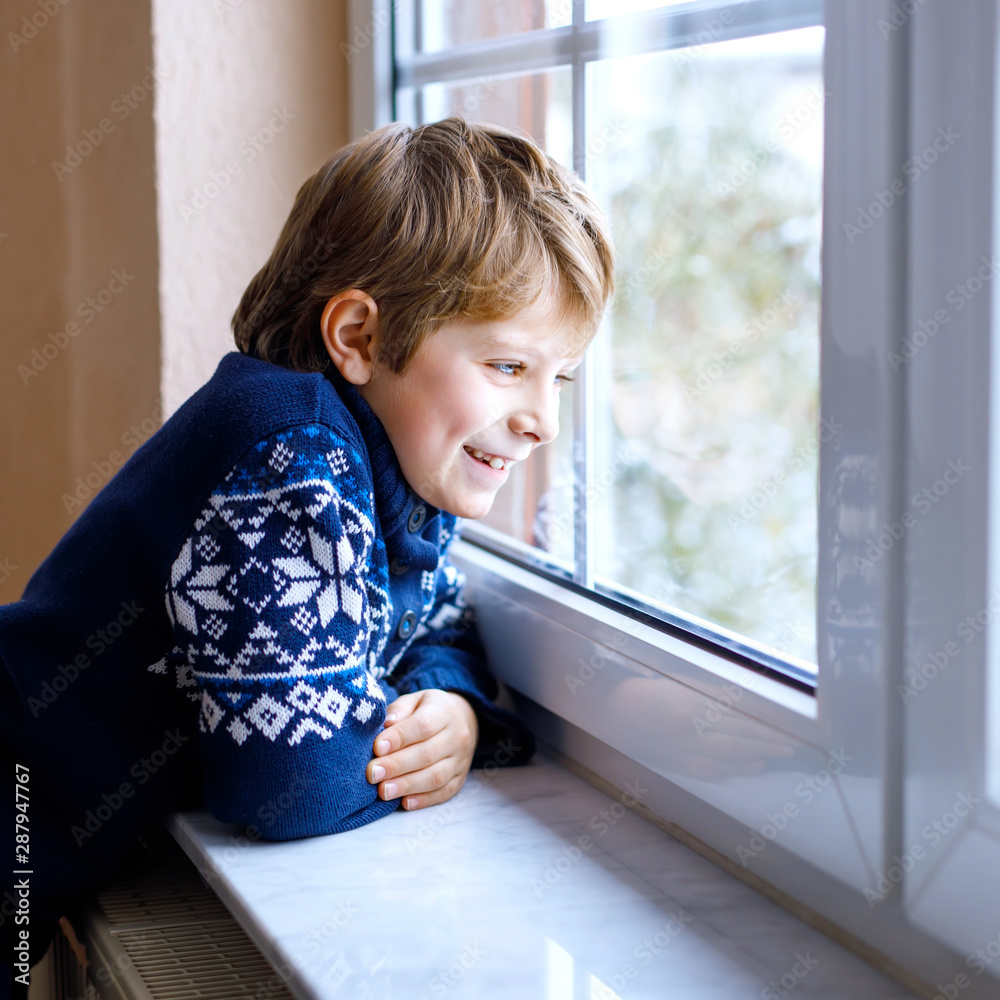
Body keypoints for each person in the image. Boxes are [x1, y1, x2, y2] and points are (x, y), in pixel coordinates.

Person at [0, 115, 615, 995]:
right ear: (360, 339)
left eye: (559, 379)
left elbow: (439, 623)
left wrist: (452, 705)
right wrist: (440, 740)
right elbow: (287, 786)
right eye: (509, 367)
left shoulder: (396, 471)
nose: (543, 421)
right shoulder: (292, 452)